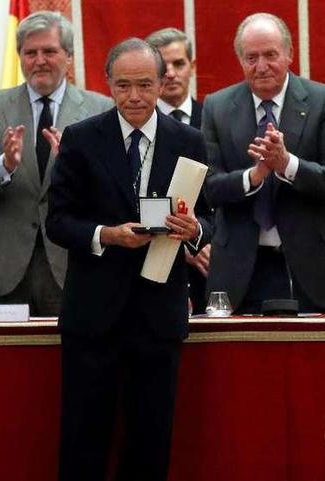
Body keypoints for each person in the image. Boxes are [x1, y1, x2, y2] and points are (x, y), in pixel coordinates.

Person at [47, 38, 210, 481]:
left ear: (163, 84)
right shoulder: (81, 138)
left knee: (150, 443)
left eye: (144, 85)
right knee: (84, 441)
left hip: (158, 315)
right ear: (108, 85)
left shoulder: (190, 140)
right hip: (93, 316)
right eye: (123, 86)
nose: (134, 97)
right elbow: (58, 221)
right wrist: (107, 235)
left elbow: (210, 216)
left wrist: (193, 230)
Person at [202, 13, 325, 314]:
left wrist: (287, 164)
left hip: (315, 268)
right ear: (240, 60)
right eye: (251, 57)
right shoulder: (216, 107)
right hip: (241, 271)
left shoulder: (322, 101)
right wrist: (254, 176)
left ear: (289, 54)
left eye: (270, 55)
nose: (261, 66)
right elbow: (208, 189)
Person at [0, 11, 113, 316]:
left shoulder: (99, 108)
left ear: (69, 57)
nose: (39, 60)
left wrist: (72, 169)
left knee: (68, 359)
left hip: (72, 261)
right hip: (8, 264)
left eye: (49, 51)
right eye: (30, 52)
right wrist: (5, 164)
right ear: (19, 56)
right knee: (6, 360)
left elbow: (109, 193)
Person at [145, 27, 211, 313]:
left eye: (179, 64)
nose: (170, 73)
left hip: (213, 261)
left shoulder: (215, 118)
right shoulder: (137, 127)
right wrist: (183, 249)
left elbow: (219, 196)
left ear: (192, 67)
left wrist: (200, 238)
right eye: (163, 66)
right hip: (153, 262)